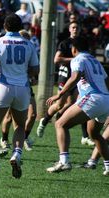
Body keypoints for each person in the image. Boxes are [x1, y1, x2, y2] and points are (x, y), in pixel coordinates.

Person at [0, 14, 39, 179]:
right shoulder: (29, 44)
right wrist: (28, 75)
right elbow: (35, 70)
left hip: (3, 87)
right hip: (22, 88)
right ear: (20, 27)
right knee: (20, 126)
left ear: (5, 26)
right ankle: (17, 155)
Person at [46, 36, 109, 176]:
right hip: (105, 99)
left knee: (60, 124)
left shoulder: (77, 59)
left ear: (74, 49)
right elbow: (107, 81)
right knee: (94, 134)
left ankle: (64, 161)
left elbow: (74, 77)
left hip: (93, 97)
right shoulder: (96, 61)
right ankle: (108, 166)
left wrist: (59, 94)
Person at [36, 21, 95, 146]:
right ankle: (44, 121)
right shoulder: (65, 43)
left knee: (80, 103)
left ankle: (85, 136)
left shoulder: (81, 43)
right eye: (73, 27)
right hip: (66, 76)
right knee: (60, 104)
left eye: (77, 27)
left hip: (79, 77)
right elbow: (56, 59)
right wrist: (74, 59)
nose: (75, 29)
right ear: (69, 29)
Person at [0, 29, 38, 154]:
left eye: (27, 38)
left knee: (32, 115)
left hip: (26, 87)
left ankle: (24, 138)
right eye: (24, 38)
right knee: (9, 117)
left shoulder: (29, 51)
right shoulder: (13, 50)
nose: (25, 40)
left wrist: (33, 78)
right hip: (12, 85)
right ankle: (4, 139)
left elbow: (34, 68)